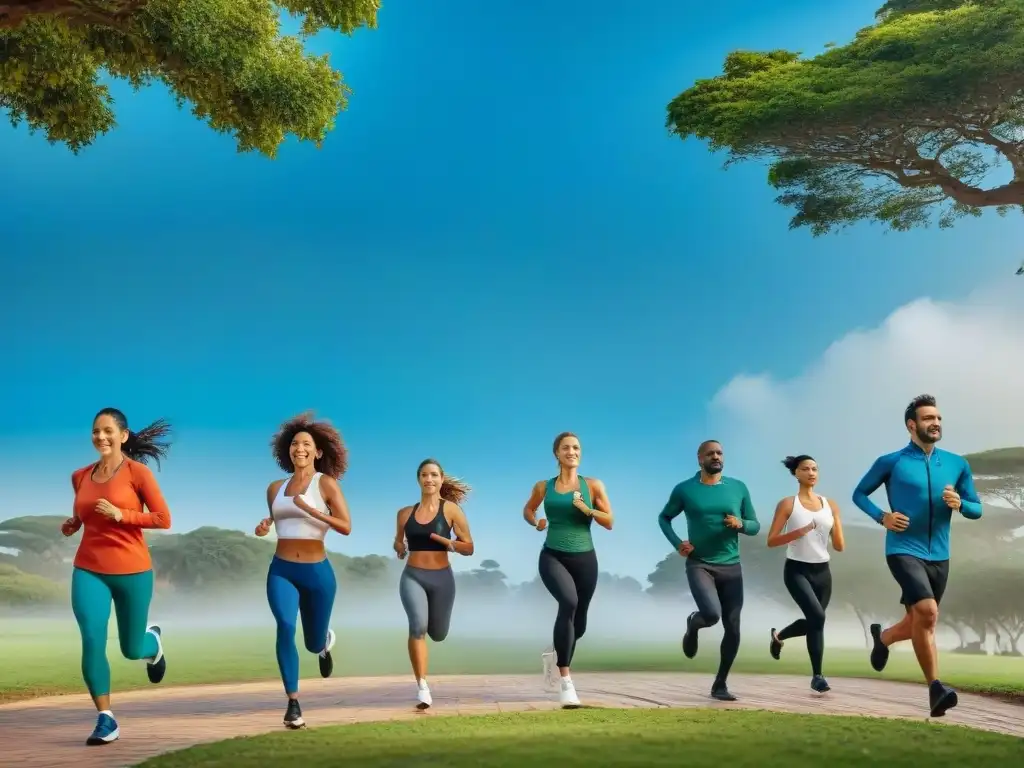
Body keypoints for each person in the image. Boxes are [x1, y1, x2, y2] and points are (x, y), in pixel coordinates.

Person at [852, 394, 983, 718]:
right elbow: (859, 493)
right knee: (928, 612)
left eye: (938, 418)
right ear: (912, 425)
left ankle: (883, 638)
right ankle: (936, 689)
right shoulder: (891, 461)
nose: (935, 423)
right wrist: (882, 517)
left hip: (940, 554)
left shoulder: (956, 464)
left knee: (918, 620)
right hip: (902, 549)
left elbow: (976, 508)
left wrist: (960, 504)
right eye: (928, 419)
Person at [60, 407, 173, 747]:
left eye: (108, 431)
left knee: (130, 648)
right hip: (89, 569)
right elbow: (84, 511)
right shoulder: (80, 475)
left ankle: (152, 644)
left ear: (123, 436)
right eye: (96, 431)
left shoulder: (137, 473)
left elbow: (163, 519)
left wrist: (122, 514)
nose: (101, 437)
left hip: (133, 571)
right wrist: (74, 524)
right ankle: (105, 719)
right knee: (93, 640)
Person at [255, 412, 352, 730]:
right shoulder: (274, 488)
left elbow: (346, 527)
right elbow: (276, 518)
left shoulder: (326, 484)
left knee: (311, 643)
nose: (300, 448)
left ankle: (324, 642)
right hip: (282, 570)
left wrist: (313, 511)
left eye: (306, 444)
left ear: (318, 452)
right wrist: (265, 525)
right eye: (295, 443)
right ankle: (293, 702)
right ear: (288, 450)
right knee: (285, 625)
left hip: (317, 573)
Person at [657, 439, 760, 701]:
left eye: (720, 453)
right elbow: (664, 518)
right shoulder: (685, 490)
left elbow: (755, 525)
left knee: (733, 627)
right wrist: (678, 543)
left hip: (731, 566)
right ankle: (694, 624)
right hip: (700, 563)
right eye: (710, 453)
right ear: (699, 459)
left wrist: (741, 524)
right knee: (712, 615)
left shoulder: (738, 487)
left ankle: (720, 684)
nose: (716, 456)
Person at [522, 431, 614, 708]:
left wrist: (587, 510)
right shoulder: (543, 487)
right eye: (565, 448)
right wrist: (535, 521)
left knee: (579, 624)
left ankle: (555, 654)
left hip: (585, 559)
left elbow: (609, 521)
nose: (571, 451)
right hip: (552, 556)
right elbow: (528, 510)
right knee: (568, 602)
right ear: (557, 454)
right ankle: (566, 683)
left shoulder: (594, 485)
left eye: (575, 447)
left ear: (580, 453)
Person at [393, 459, 475, 709]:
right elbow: (398, 542)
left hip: (442, 578)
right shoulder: (404, 513)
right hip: (412, 576)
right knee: (417, 626)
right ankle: (422, 687)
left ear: (441, 479)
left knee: (438, 634)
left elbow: (469, 547)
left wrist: (448, 542)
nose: (429, 480)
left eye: (434, 475)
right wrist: (399, 548)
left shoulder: (451, 511)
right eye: (424, 475)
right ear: (418, 479)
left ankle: (426, 672)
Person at [765, 454, 846, 693]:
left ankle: (778, 636)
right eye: (805, 469)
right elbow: (772, 540)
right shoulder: (788, 504)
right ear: (796, 474)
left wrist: (836, 523)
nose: (811, 473)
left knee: (815, 620)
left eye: (815, 469)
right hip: (796, 570)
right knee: (818, 619)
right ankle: (818, 676)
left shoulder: (830, 504)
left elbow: (840, 545)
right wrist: (799, 532)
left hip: (823, 571)